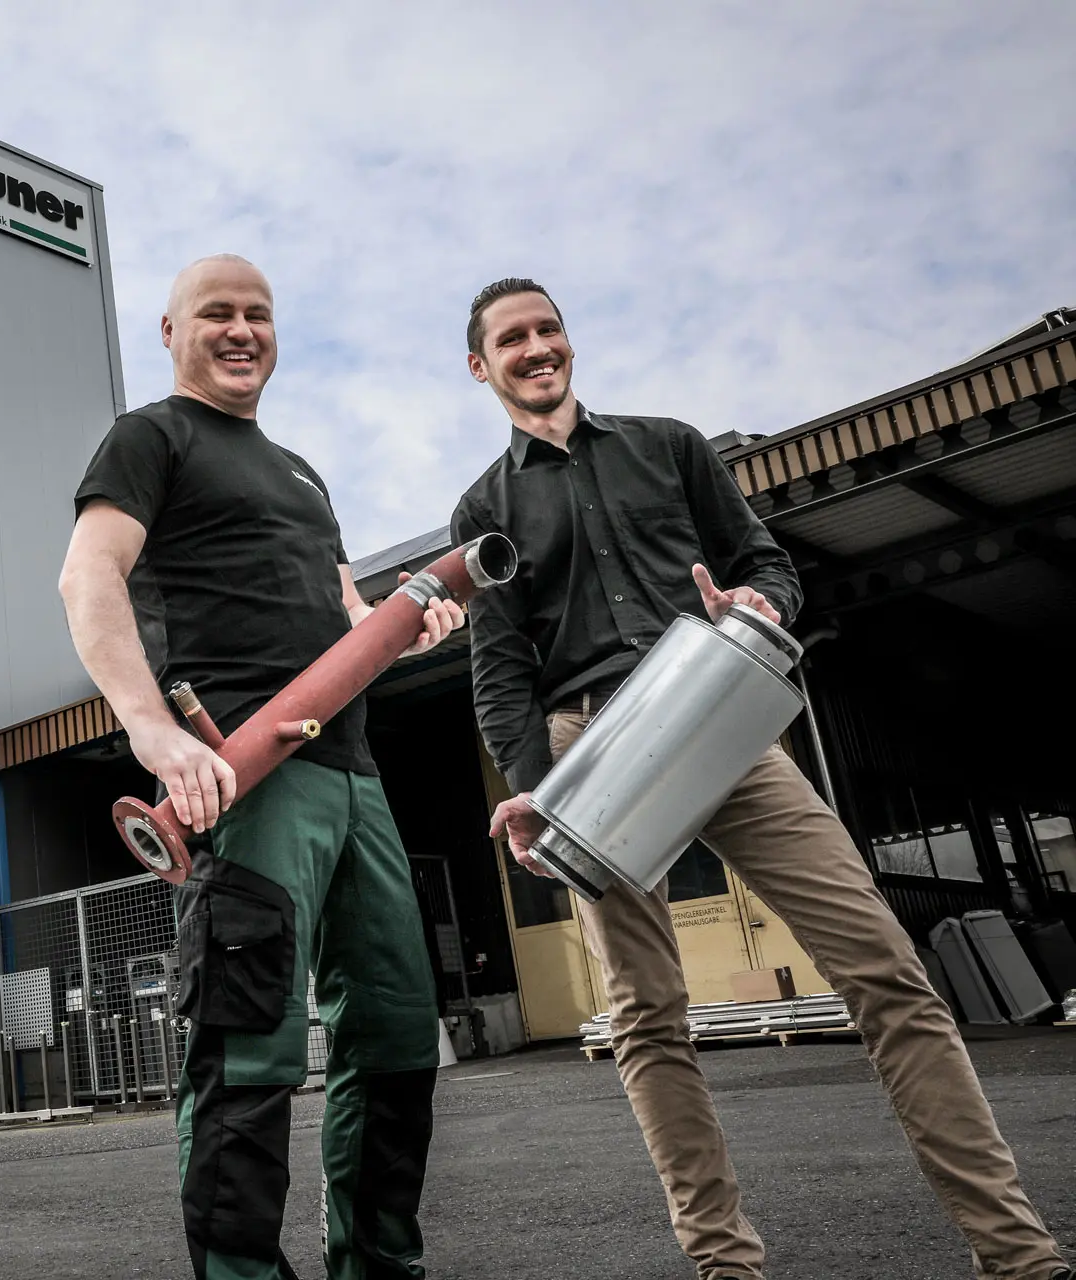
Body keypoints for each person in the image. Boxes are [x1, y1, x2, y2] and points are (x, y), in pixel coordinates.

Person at [450, 277, 1070, 1280]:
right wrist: (536, 786)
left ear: (567, 341)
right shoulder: (485, 507)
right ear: (481, 366)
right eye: (511, 338)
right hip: (592, 747)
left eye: (548, 327)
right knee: (647, 1014)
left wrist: (759, 597)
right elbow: (500, 670)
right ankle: (725, 1263)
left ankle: (1018, 1251)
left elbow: (767, 561)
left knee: (885, 968)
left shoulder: (673, 446)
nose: (536, 347)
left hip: (711, 710)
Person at [59, 254, 465, 1280]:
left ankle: (379, 1264)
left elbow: (344, 614)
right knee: (248, 1052)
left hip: (355, 777)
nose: (241, 331)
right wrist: (153, 729)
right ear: (169, 330)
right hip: (244, 778)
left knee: (396, 1035)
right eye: (217, 314)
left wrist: (402, 630)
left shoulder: (300, 472)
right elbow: (86, 575)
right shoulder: (150, 436)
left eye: (258, 315)